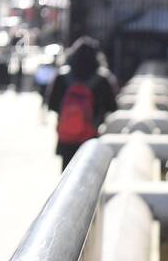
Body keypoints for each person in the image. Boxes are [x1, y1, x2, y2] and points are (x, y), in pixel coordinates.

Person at [47, 37, 119, 169]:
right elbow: (113, 107)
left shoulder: (62, 76)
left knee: (66, 179)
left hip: (67, 139)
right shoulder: (103, 79)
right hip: (90, 138)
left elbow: (52, 104)